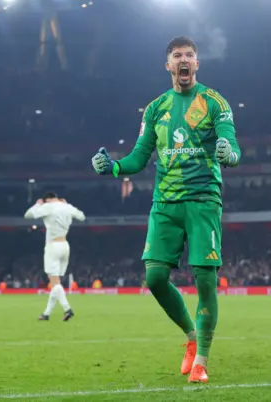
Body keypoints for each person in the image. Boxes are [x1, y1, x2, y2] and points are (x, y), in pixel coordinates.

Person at [91, 36, 241, 383]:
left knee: (205, 281)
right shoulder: (156, 108)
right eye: (178, 56)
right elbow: (139, 157)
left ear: (197, 64)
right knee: (155, 278)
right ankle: (191, 336)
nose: (184, 60)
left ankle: (201, 361)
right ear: (169, 65)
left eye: (190, 55)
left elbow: (231, 145)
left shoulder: (214, 102)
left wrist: (228, 155)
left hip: (203, 200)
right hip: (164, 203)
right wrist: (112, 167)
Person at [24, 192, 86, 321]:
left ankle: (67, 309)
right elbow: (82, 217)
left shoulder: (48, 206)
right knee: (56, 284)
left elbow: (28, 215)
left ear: (47, 199)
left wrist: (37, 204)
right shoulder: (66, 206)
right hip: (65, 246)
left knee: (54, 282)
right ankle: (46, 314)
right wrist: (67, 204)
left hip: (53, 247)